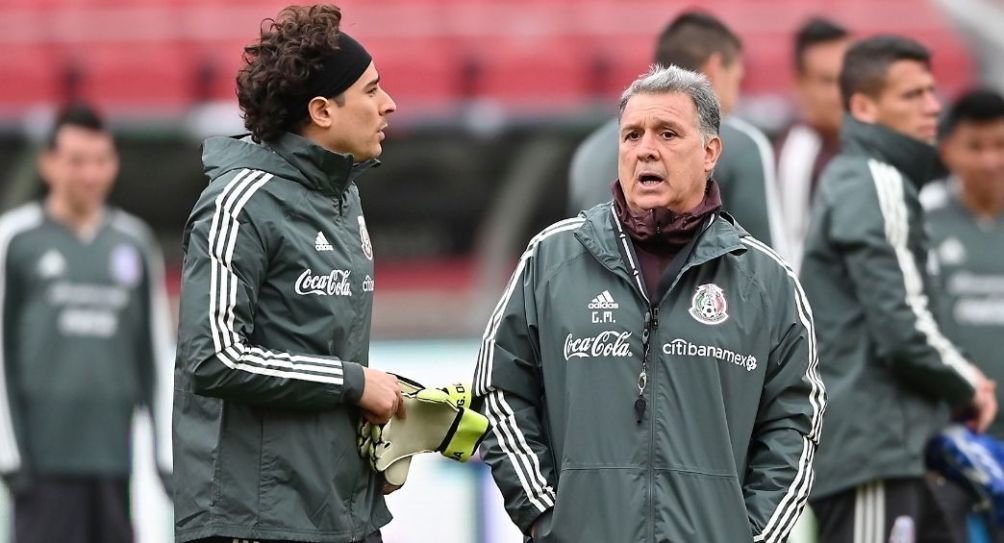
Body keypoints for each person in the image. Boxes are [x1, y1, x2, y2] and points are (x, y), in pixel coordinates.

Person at [475, 64, 823, 542]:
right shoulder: (551, 259)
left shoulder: (766, 282)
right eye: (632, 135)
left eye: (667, 133)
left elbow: (795, 420)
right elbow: (498, 390)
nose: (645, 150)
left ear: (710, 152)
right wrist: (544, 516)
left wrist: (753, 535)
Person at [173, 4, 403, 543]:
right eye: (371, 90)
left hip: (341, 516)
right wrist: (353, 383)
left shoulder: (345, 199)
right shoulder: (237, 202)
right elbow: (215, 356)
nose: (388, 104)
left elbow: (316, 357)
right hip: (253, 521)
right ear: (323, 110)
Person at [800, 36, 998, 542]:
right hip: (873, 452)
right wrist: (965, 383)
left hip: (892, 449)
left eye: (932, 92)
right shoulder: (876, 181)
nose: (933, 106)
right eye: (912, 95)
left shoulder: (860, 179)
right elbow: (901, 323)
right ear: (863, 107)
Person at [0, 104, 174, 543]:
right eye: (77, 161)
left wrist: (165, 454)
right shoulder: (15, 239)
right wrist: (7, 453)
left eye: (101, 160)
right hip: (40, 466)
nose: (90, 174)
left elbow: (154, 349)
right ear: (49, 163)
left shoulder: (133, 242)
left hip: (115, 459)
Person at [568, 11, 788, 258]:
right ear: (714, 69)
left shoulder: (589, 149)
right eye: (736, 80)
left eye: (668, 135)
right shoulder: (742, 144)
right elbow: (767, 265)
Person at [923, 89, 1004, 441]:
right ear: (947, 151)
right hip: (957, 425)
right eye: (975, 147)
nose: (990, 161)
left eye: (1000, 145)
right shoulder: (922, 216)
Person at [776, 17, 850, 270]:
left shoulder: (872, 143)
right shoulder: (797, 158)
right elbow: (792, 256)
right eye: (828, 81)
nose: (841, 92)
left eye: (848, 77)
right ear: (800, 84)